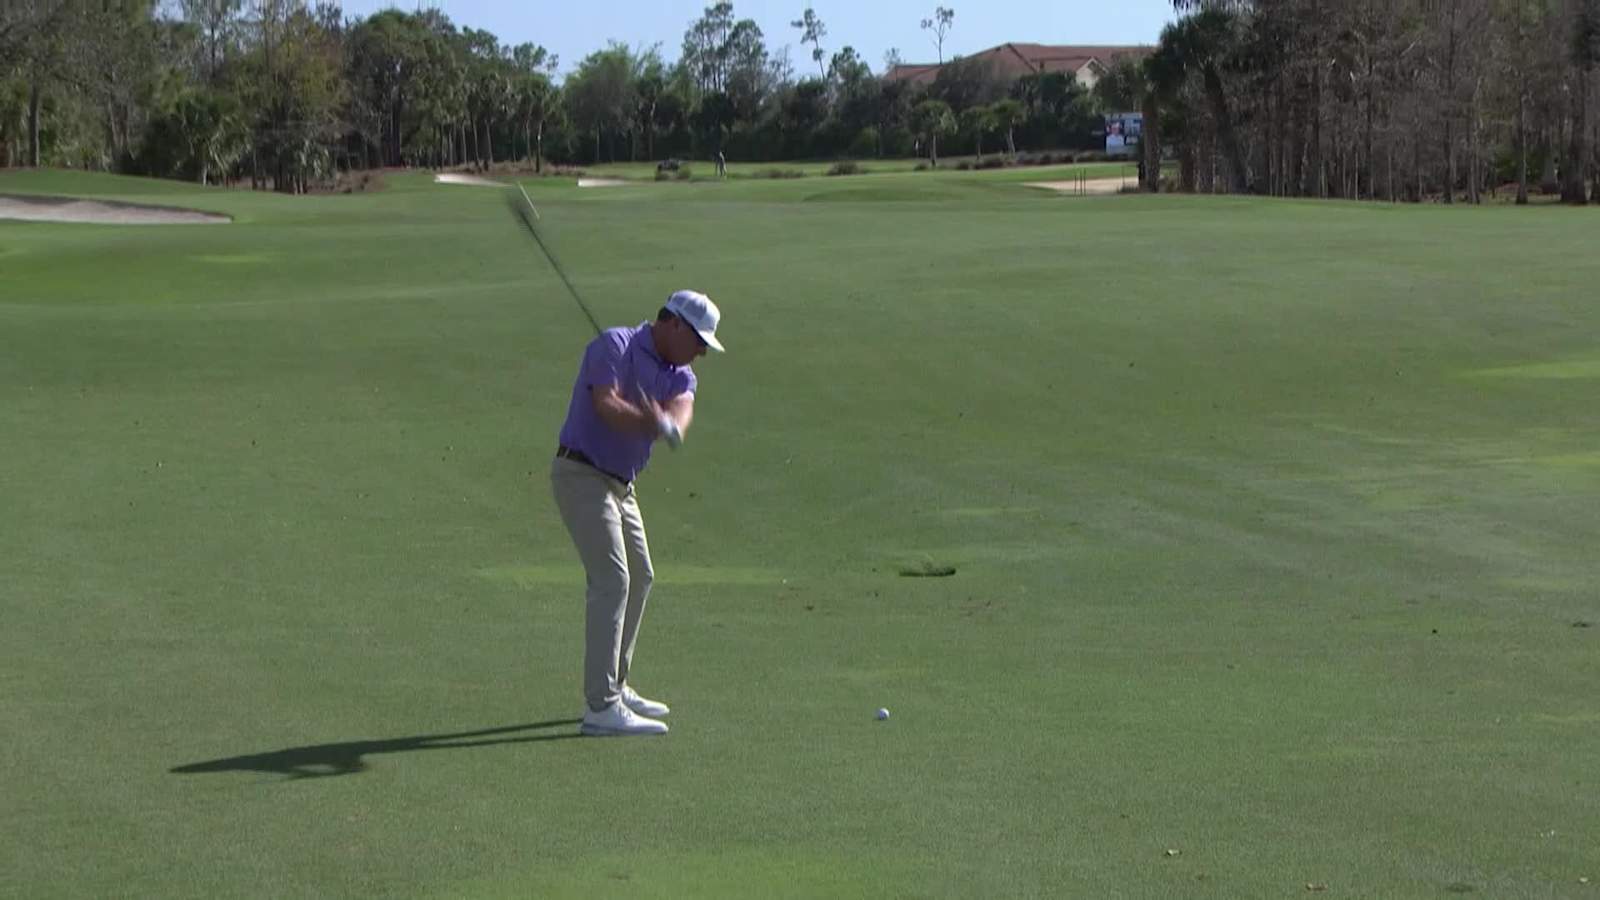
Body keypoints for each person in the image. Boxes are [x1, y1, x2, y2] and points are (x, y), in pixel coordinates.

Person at [550, 290, 724, 736]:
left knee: (641, 575)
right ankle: (600, 707)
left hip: (621, 487)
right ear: (674, 325)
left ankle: (616, 682)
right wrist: (647, 420)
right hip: (581, 473)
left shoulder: (682, 374)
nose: (702, 351)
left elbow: (682, 413)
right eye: (699, 340)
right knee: (613, 579)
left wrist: (668, 425)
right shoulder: (614, 345)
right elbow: (606, 407)